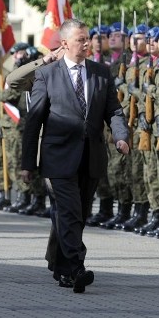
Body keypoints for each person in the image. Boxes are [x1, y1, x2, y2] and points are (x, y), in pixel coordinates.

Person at [21, 18, 129, 293]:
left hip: (90, 156)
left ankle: (61, 267)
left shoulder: (101, 73)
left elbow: (113, 111)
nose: (87, 43)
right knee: (68, 211)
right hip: (58, 157)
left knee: (77, 214)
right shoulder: (47, 74)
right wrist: (27, 164)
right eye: (81, 39)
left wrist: (120, 137)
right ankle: (77, 267)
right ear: (65, 43)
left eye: (88, 38)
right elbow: (34, 122)